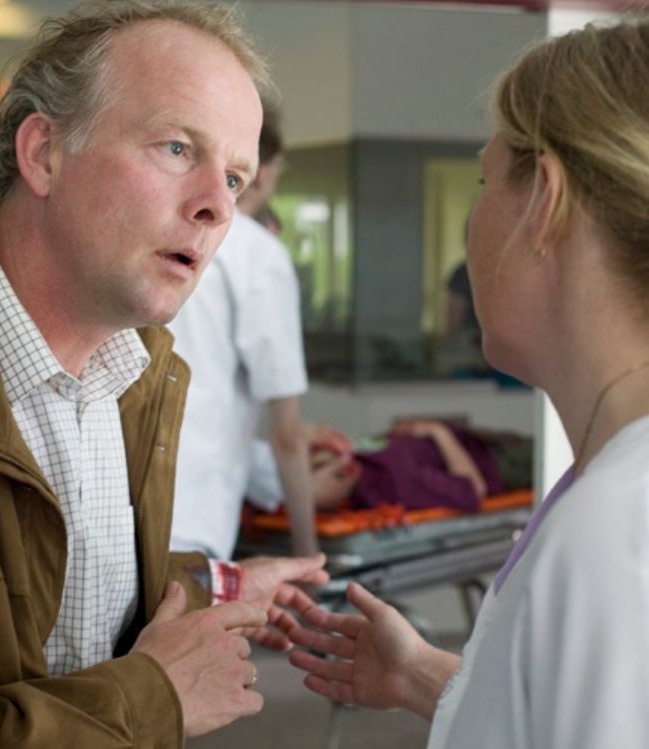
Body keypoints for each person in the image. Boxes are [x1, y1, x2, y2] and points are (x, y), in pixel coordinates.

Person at [0, 2, 327, 746]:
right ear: (45, 153)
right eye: (176, 147)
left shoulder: (136, 374)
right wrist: (151, 699)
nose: (217, 206)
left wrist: (217, 584)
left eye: (235, 177)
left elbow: (70, 590)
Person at [288, 18, 649, 749]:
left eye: (486, 181)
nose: (474, 219)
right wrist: (427, 677)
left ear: (544, 201)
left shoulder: (612, 531)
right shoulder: (608, 489)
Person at [169, 102, 318, 559]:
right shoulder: (258, 255)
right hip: (193, 522)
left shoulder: (164, 238)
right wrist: (308, 555)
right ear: (265, 171)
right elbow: (287, 434)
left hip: (129, 507)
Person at [247, 419, 531, 513]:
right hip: (502, 463)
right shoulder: (391, 485)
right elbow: (473, 489)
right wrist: (438, 432)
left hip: (487, 440)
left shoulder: (364, 455)